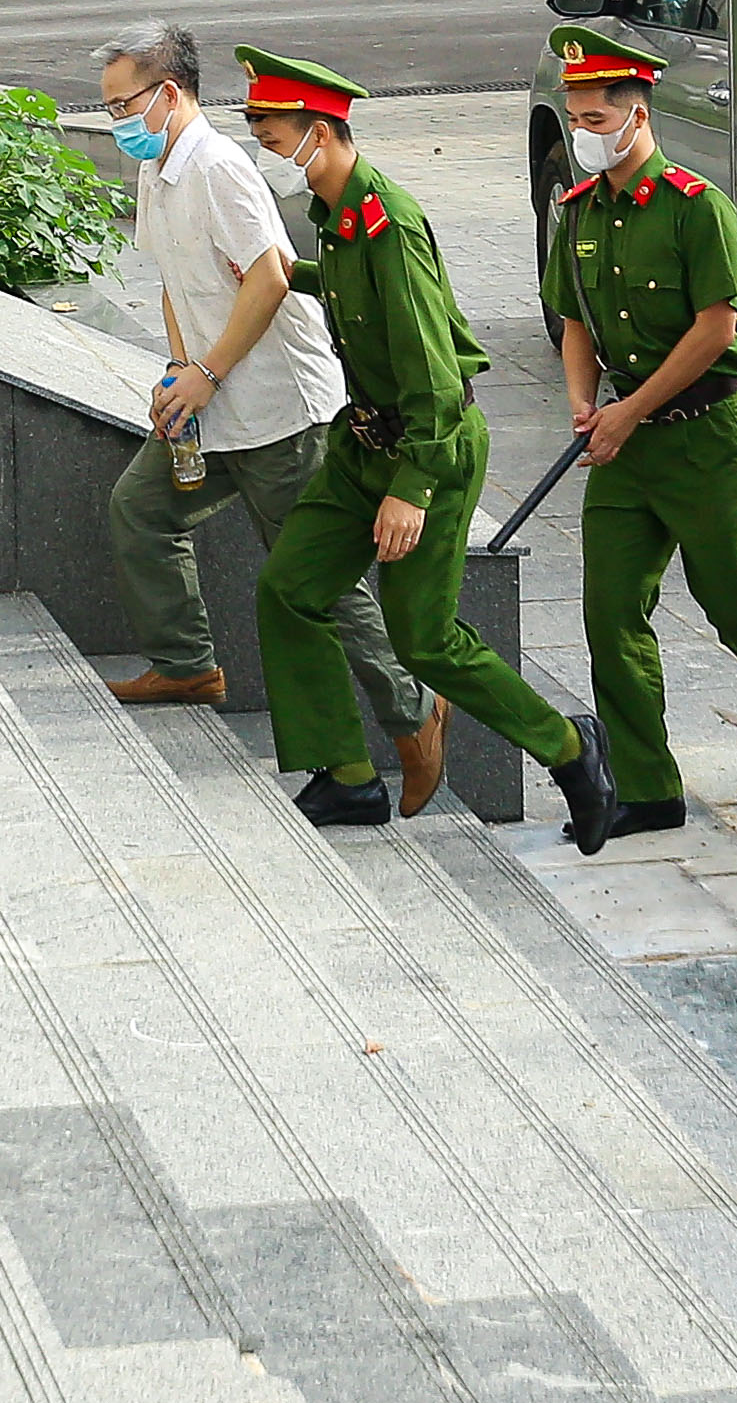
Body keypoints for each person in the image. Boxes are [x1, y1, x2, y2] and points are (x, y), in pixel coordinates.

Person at [237, 46, 618, 850]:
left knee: (426, 641)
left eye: (271, 137)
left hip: (430, 446)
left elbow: (436, 376)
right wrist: (292, 273)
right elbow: (358, 298)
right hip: (363, 440)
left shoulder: (387, 222)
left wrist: (412, 487)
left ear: (319, 131)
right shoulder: (337, 216)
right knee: (289, 588)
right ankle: (347, 775)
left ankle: (570, 748)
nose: (265, 154)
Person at [93, 21, 452, 814]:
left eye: (124, 103)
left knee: (312, 579)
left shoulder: (219, 170)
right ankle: (186, 664)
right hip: (213, 405)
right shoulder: (158, 172)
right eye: (109, 104)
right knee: (141, 510)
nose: (115, 118)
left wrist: (209, 372)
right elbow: (172, 281)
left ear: (170, 95)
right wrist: (179, 371)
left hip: (281, 411)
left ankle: (415, 710)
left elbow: (271, 278)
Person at [546, 25, 737, 839]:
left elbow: (715, 329)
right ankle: (647, 788)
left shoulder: (695, 207)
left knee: (732, 598)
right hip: (625, 440)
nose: (582, 136)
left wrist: (627, 411)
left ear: (638, 117)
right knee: (610, 610)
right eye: (575, 120)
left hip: (705, 429)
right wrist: (584, 404)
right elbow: (573, 320)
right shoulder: (578, 214)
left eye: (595, 120)